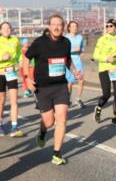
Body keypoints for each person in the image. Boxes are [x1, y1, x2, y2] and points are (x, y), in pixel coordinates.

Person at [24, 15, 77, 165]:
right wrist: (27, 78)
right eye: (53, 24)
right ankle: (42, 131)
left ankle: (57, 153)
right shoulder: (40, 43)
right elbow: (26, 58)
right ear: (48, 26)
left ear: (64, 26)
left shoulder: (66, 42)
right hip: (42, 88)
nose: (56, 27)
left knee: (62, 119)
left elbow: (67, 60)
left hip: (60, 86)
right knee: (49, 122)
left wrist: (74, 71)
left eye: (59, 25)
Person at [0, 21, 23, 137]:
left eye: (8, 27)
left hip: (11, 72)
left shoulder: (15, 40)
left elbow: (19, 54)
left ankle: (14, 126)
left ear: (11, 29)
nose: (6, 30)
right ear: (1, 30)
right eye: (4, 28)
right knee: (1, 100)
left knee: (14, 100)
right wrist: (1, 58)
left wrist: (19, 64)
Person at [93, 18, 116, 124]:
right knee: (107, 94)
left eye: (110, 26)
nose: (108, 28)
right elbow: (95, 55)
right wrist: (107, 58)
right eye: (106, 26)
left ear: (115, 27)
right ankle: (99, 108)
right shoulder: (102, 39)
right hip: (104, 69)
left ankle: (115, 116)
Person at [65, 20, 86, 108]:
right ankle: (68, 99)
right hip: (69, 61)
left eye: (76, 26)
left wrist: (81, 52)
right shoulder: (66, 38)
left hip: (78, 61)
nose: (74, 28)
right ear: (69, 28)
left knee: (81, 80)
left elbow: (81, 50)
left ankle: (78, 99)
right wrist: (74, 50)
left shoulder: (80, 37)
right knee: (70, 82)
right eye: (72, 26)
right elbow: (64, 51)